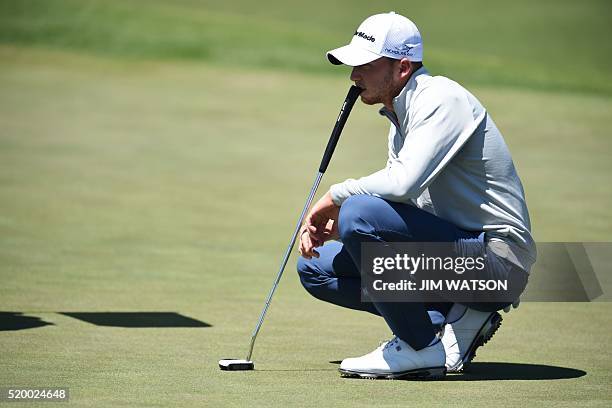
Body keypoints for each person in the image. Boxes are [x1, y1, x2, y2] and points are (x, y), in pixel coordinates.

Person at [296, 11, 536, 379]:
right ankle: (443, 320)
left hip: (498, 262)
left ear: (402, 68)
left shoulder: (441, 99)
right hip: (456, 255)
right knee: (314, 268)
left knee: (357, 211)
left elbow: (401, 184)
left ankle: (419, 346)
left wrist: (335, 196)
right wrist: (340, 230)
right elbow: (406, 205)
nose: (353, 76)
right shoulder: (400, 117)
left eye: (365, 66)